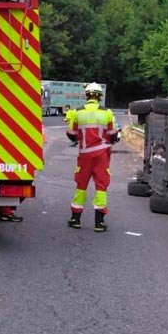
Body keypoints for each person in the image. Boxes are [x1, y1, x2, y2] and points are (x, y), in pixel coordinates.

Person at [66, 83, 120, 232]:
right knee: (101, 186)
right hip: (102, 154)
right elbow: (113, 135)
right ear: (99, 96)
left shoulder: (77, 112)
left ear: (87, 95)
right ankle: (99, 222)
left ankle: (75, 219)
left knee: (81, 186)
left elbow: (71, 134)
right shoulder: (107, 113)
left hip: (85, 155)